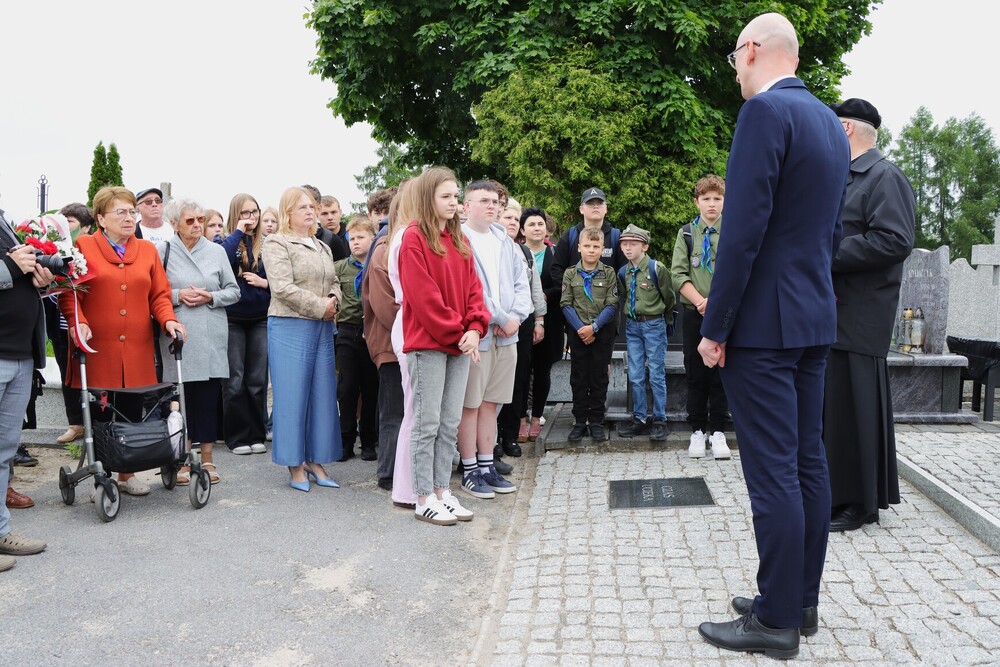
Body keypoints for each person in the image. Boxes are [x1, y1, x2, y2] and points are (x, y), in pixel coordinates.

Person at [694, 14, 850, 659]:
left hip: (762, 325)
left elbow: (743, 230)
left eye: (735, 57)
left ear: (752, 50)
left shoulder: (764, 113)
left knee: (773, 473)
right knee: (808, 462)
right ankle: (798, 600)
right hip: (813, 316)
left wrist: (716, 324)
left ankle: (775, 620)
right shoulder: (829, 124)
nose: (734, 69)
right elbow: (826, 232)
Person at [59, 186, 186, 497]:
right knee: (101, 414)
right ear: (101, 218)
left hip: (137, 349)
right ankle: (101, 475)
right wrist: (80, 323)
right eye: (122, 212)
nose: (130, 217)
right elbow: (69, 292)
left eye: (132, 211)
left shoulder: (145, 250)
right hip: (98, 348)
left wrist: (168, 318)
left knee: (133, 409)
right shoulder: (83, 247)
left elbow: (158, 294)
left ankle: (127, 474)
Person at [825, 98, 915, 532]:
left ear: (844, 129)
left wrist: (825, 254)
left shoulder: (884, 176)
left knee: (856, 410)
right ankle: (843, 495)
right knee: (840, 410)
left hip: (860, 315)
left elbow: (895, 240)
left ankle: (858, 503)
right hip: (838, 313)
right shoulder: (849, 177)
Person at [398, 167, 490, 525]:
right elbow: (424, 299)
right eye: (446, 197)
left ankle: (441, 491)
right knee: (428, 423)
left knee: (449, 423)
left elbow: (474, 292)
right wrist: (461, 332)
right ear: (428, 199)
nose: (454, 203)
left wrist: (476, 328)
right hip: (429, 344)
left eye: (455, 196)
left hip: (460, 343)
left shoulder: (459, 241)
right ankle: (422, 497)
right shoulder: (413, 239)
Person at [263, 187, 343, 492]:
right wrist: (320, 306)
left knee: (322, 395)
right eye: (302, 208)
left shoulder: (323, 245)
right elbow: (281, 287)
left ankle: (315, 460)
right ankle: (295, 464)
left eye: (312, 206)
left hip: (322, 326)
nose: (310, 212)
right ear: (288, 213)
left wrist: (334, 299)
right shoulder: (276, 242)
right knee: (292, 397)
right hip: (289, 325)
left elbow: (334, 279)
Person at [457, 180, 531, 501]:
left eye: (495, 202)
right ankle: (470, 469)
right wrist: (501, 318)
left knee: (492, 404)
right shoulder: (460, 240)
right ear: (466, 206)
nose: (491, 206)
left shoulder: (507, 242)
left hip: (508, 336)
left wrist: (516, 317)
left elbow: (521, 283)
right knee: (470, 405)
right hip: (480, 335)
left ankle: (487, 465)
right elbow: (473, 288)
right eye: (483, 200)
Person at [158, 199, 240, 485]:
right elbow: (152, 292)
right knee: (180, 397)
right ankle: (180, 458)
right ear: (174, 224)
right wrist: (179, 295)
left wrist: (211, 297)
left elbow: (234, 291)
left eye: (200, 219)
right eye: (190, 221)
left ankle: (207, 457)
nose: (197, 225)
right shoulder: (163, 250)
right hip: (179, 331)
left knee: (207, 395)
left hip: (209, 330)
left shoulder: (216, 251)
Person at [0, 207, 54, 570]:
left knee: (4, 451)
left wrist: (39, 278)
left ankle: (1, 532)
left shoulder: (4, 222)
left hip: (19, 354)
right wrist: (10, 267)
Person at [670, 175, 732, 459]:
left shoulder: (732, 231)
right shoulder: (686, 234)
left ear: (724, 201)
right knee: (695, 371)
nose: (711, 204)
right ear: (696, 202)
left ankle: (718, 430)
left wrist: (717, 303)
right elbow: (678, 274)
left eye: (717, 199)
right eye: (705, 199)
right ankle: (697, 430)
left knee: (721, 369)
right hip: (694, 312)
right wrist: (700, 301)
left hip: (724, 313)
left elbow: (737, 270)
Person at [217, 193, 271, 456]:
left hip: (260, 318)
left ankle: (256, 433)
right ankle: (236, 437)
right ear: (235, 214)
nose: (252, 218)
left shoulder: (267, 244)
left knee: (256, 379)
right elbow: (221, 262)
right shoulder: (224, 241)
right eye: (246, 213)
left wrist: (265, 283)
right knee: (235, 379)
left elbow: (279, 278)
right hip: (233, 319)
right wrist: (238, 232)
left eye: (255, 212)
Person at [362, 189, 406, 491]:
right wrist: (411, 330)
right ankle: (388, 473)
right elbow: (382, 303)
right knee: (393, 411)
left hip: (407, 339)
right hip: (392, 343)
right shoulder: (384, 246)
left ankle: (403, 469)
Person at [616, 224, 675, 442]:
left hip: (653, 325)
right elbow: (624, 294)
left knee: (657, 373)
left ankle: (659, 419)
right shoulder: (624, 272)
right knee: (636, 374)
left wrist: (664, 322)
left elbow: (669, 299)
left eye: (633, 244)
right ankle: (639, 418)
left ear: (645, 246)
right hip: (632, 326)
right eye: (624, 244)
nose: (628, 248)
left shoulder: (656, 269)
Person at [561, 227, 620, 442]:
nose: (591, 250)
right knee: (578, 377)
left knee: (598, 376)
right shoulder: (570, 273)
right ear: (579, 248)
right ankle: (579, 421)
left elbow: (612, 304)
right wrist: (581, 329)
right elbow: (566, 304)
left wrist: (593, 327)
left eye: (596, 247)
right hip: (578, 333)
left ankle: (596, 421)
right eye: (587, 246)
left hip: (601, 333)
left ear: (602, 249)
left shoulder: (609, 273)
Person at [496, 204, 545, 455]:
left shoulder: (524, 251)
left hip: (523, 324)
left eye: (517, 218)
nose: (513, 222)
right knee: (494, 384)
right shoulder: (489, 248)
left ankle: (510, 435)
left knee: (519, 379)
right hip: (495, 323)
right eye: (508, 217)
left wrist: (539, 320)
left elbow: (533, 289)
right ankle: (492, 438)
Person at [47, 203, 96, 445]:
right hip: (61, 326)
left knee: (92, 375)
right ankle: (75, 424)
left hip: (88, 325)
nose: (65, 228)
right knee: (67, 374)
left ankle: (97, 424)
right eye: (63, 223)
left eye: (71, 223)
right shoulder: (55, 249)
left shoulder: (92, 250)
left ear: (86, 227)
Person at [334, 215, 379, 461]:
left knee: (371, 388)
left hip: (372, 331)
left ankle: (369, 441)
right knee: (348, 387)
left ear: (372, 239)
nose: (355, 242)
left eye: (361, 237)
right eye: (352, 238)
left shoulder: (377, 265)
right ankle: (345, 441)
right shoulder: (340, 267)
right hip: (347, 330)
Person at [521, 207, 563, 441]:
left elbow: (562, 284)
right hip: (523, 319)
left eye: (540, 224)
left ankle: (537, 416)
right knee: (522, 370)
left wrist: (544, 295)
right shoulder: (516, 252)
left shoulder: (555, 254)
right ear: (522, 230)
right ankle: (520, 417)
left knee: (543, 369)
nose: (537, 228)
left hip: (551, 319)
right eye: (532, 225)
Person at [549, 187, 626, 286]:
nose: (596, 207)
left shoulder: (616, 236)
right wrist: (572, 293)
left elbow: (624, 272)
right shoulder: (569, 235)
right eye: (590, 203)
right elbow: (556, 269)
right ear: (581, 209)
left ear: (606, 208)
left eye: (600, 203)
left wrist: (612, 297)